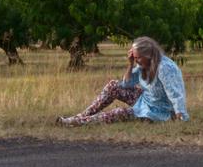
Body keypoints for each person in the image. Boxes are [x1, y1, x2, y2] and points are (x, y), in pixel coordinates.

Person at [56, 36, 189, 126]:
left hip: (159, 111)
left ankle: (75, 122)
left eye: (138, 58)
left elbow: (176, 94)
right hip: (145, 100)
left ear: (148, 55)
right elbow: (126, 84)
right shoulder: (144, 64)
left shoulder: (165, 68)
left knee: (119, 113)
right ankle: (81, 116)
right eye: (134, 57)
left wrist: (180, 116)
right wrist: (131, 64)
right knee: (114, 85)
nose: (136, 60)